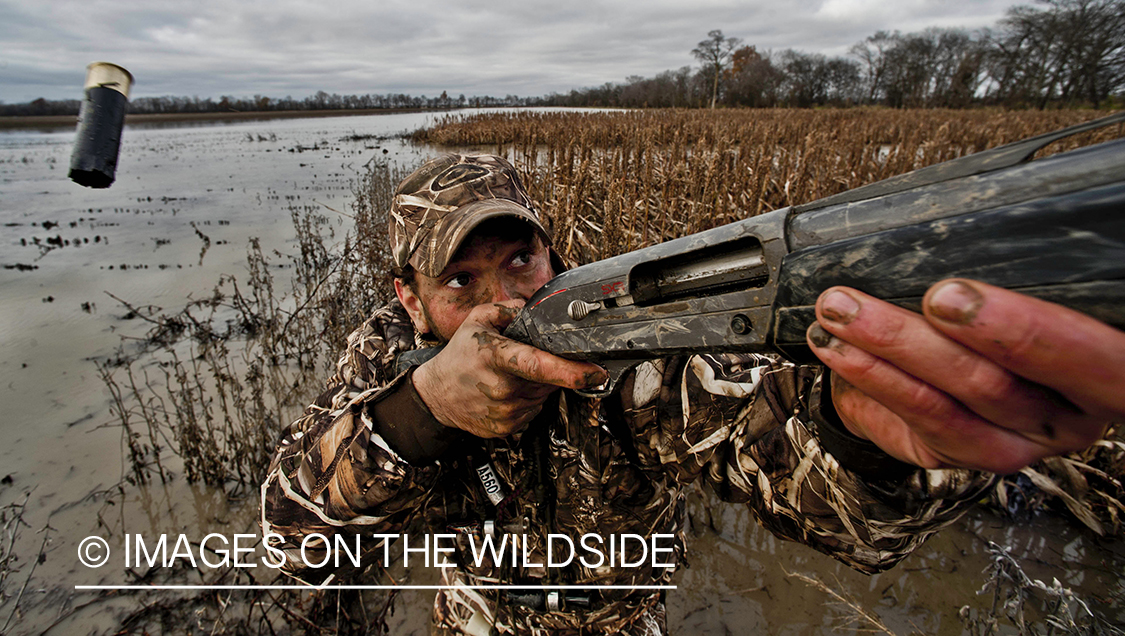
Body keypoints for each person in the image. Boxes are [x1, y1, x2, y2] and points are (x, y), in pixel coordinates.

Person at [261, 154, 1122, 635]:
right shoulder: (383, 355)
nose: (504, 304)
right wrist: (426, 416)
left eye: (519, 260)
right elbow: (292, 529)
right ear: (409, 298)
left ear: (552, 254)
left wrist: (863, 433)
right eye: (459, 279)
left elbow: (832, 505)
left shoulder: (627, 349)